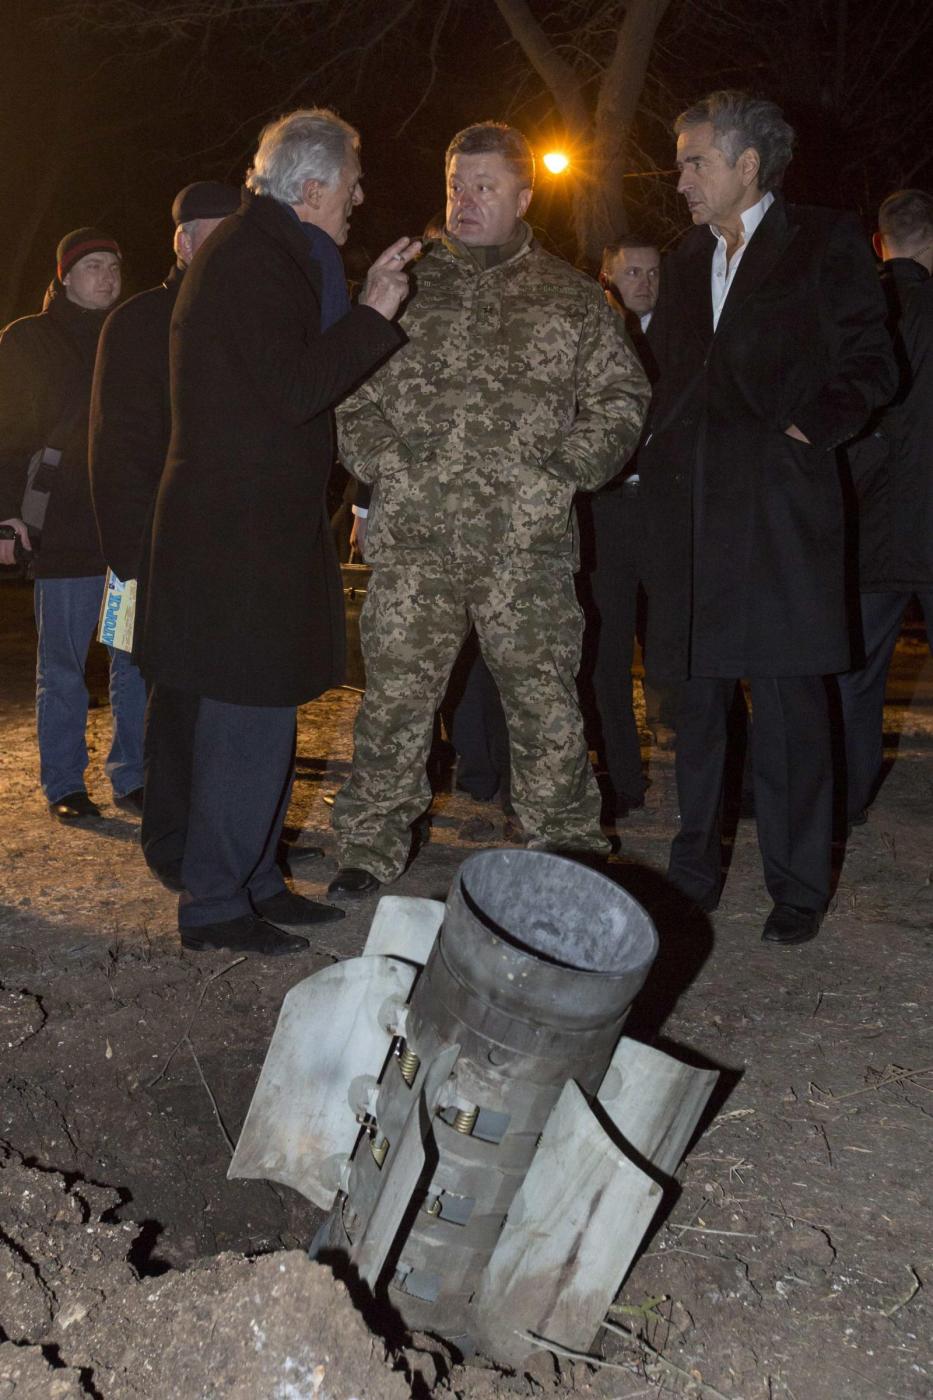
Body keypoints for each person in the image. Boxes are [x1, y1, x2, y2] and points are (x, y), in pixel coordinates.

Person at [328, 120, 650, 896]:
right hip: (416, 543)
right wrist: (391, 469)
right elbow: (349, 395)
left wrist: (561, 475)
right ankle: (369, 845)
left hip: (525, 548)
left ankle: (564, 844)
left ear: (523, 196)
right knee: (396, 701)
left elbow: (622, 398)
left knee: (545, 703)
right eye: (455, 186)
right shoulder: (401, 288)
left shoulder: (571, 298)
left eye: (484, 187)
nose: (465, 201)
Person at [136, 108, 418, 955]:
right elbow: (294, 390)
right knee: (245, 714)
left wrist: (360, 310)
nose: (359, 199)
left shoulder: (264, 250)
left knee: (263, 712)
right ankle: (215, 906)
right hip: (238, 536)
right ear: (315, 186)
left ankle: (255, 880)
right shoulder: (252, 260)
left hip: (252, 527)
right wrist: (372, 314)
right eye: (352, 186)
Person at [639, 90, 896, 945]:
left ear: (747, 165)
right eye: (679, 163)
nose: (679, 179)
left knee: (789, 708)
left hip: (781, 513)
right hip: (693, 514)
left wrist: (807, 431)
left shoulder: (822, 241)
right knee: (697, 706)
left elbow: (872, 362)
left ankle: (795, 886)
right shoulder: (683, 260)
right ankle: (693, 874)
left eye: (694, 161)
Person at [90, 181, 241, 888]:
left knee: (232, 706)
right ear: (181, 241)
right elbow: (115, 450)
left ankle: (235, 839)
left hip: (232, 550)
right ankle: (173, 843)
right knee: (171, 704)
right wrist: (130, 560)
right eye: (211, 233)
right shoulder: (140, 321)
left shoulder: (248, 313)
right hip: (158, 550)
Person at [0, 228, 148, 823]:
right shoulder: (29, 339)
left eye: (114, 266)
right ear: (64, 277)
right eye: (92, 266)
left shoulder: (133, 334)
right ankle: (64, 783)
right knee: (62, 665)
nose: (107, 276)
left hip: (125, 533)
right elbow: (6, 431)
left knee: (130, 656)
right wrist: (6, 513)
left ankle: (132, 776)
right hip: (62, 532)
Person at [840, 189, 933, 825]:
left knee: (858, 674)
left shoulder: (856, 311)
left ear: (879, 243)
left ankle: (847, 800)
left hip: (870, 522)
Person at [580, 236, 661, 822]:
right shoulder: (594, 335)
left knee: (682, 652)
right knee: (607, 654)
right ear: (607, 276)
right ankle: (622, 776)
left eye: (654, 272)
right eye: (633, 272)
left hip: (664, 513)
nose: (646, 283)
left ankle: (729, 778)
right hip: (608, 512)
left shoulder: (683, 334)